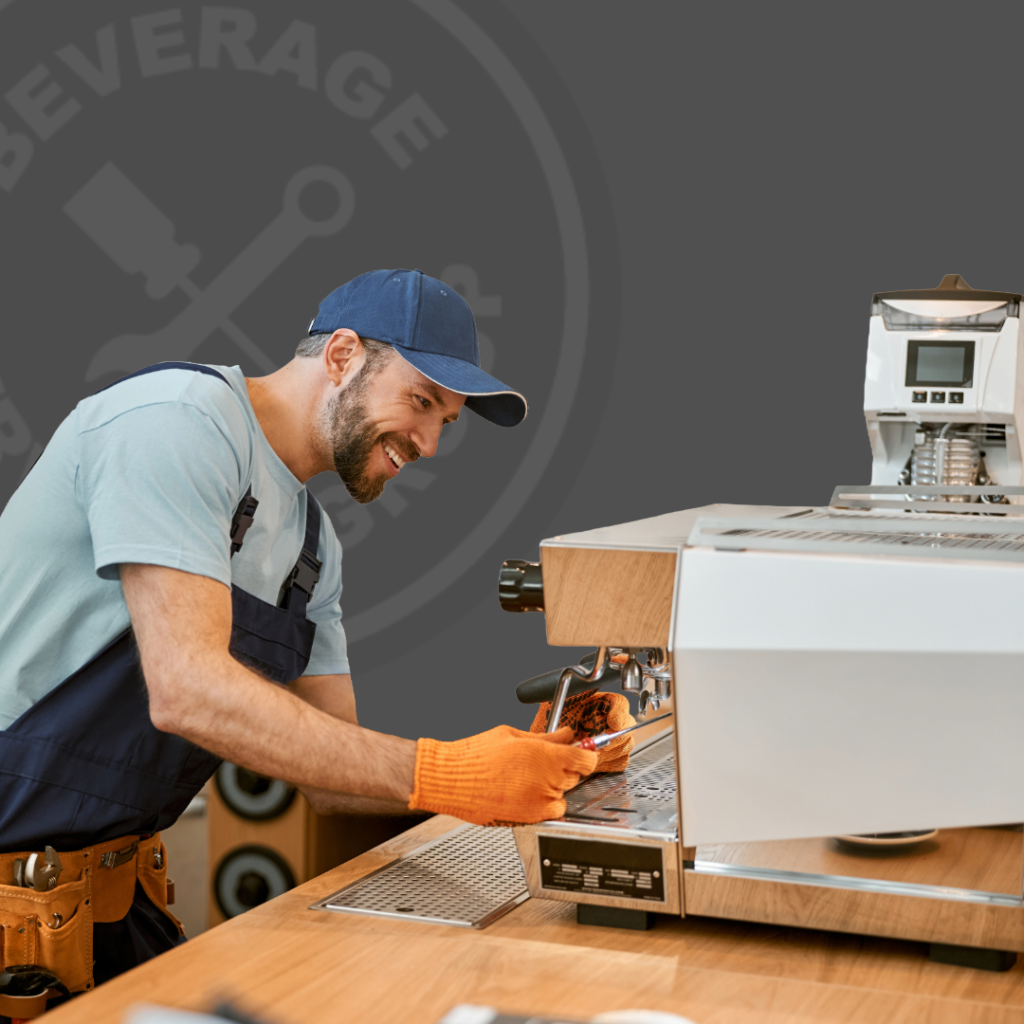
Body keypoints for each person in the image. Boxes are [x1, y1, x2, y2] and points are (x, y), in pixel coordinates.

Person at [0, 269, 633, 999]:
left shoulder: (311, 548)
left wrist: (507, 767)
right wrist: (441, 773)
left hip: (95, 906)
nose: (427, 443)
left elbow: (334, 782)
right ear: (341, 356)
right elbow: (188, 693)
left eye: (446, 423)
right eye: (421, 402)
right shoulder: (175, 422)